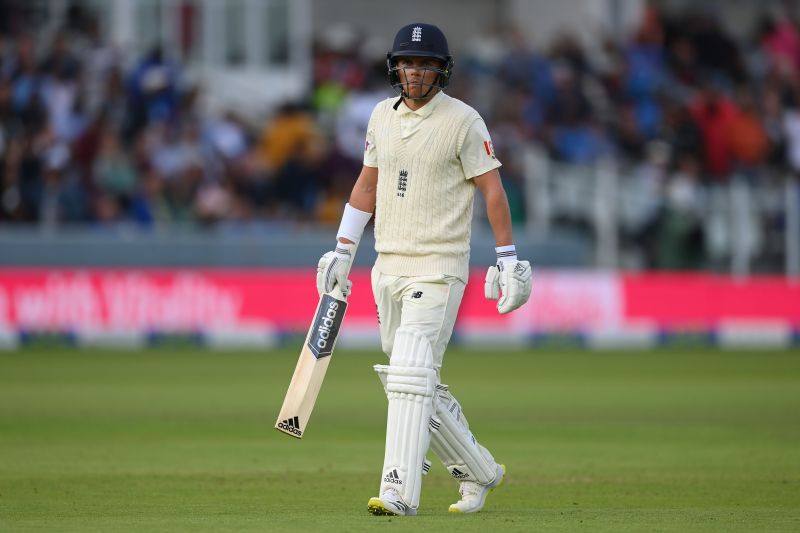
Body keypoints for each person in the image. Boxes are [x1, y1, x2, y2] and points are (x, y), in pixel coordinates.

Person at [316, 22, 532, 516]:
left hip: (439, 265)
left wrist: (508, 259)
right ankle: (478, 469)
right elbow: (367, 185)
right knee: (409, 380)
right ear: (396, 68)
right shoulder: (379, 116)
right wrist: (342, 250)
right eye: (409, 64)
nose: (416, 72)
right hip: (387, 263)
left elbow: (492, 190)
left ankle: (398, 490)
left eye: (426, 65)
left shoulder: (464, 121)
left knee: (412, 371)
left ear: (442, 71)